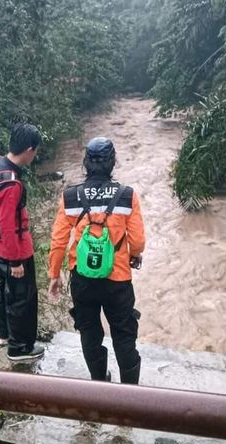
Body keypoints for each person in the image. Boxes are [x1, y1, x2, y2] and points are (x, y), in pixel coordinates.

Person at [47, 137, 145, 383]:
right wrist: (133, 255)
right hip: (118, 279)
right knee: (124, 333)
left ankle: (100, 382)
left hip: (82, 279)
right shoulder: (127, 195)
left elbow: (58, 241)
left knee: (89, 332)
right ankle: (130, 391)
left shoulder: (70, 196)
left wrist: (54, 275)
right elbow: (138, 241)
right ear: (112, 163)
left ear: (86, 164)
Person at [0, 124, 45, 362]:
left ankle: (4, 336)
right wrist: (16, 260)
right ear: (29, 150)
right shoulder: (12, 184)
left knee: (3, 290)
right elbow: (7, 225)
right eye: (36, 151)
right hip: (13, 250)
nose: (36, 155)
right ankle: (19, 348)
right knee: (22, 298)